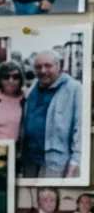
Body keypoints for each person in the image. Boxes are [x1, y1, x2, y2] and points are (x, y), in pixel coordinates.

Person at [19, 51, 82, 179]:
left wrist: (75, 160)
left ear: (59, 66)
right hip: (29, 159)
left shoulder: (74, 88)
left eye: (48, 66)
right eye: (38, 67)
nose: (43, 71)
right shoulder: (33, 87)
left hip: (55, 161)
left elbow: (80, 127)